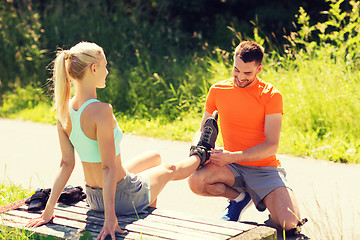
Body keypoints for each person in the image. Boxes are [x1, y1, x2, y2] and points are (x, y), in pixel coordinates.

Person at [25, 42, 207, 240]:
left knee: (154, 157)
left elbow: (66, 163)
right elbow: (108, 168)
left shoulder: (64, 110)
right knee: (169, 168)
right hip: (122, 198)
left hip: (94, 197)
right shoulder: (102, 111)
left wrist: (49, 208)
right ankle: (201, 152)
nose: (107, 71)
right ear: (94, 68)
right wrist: (110, 218)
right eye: (105, 65)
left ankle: (146, 213)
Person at [188, 41, 304, 235]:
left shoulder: (271, 95)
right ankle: (238, 199)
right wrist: (197, 148)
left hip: (264, 168)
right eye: (236, 70)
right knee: (196, 181)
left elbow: (271, 146)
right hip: (231, 167)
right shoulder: (218, 90)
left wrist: (232, 156)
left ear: (259, 69)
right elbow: (201, 129)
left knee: (291, 224)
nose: (240, 77)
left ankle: (266, 220)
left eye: (247, 73)